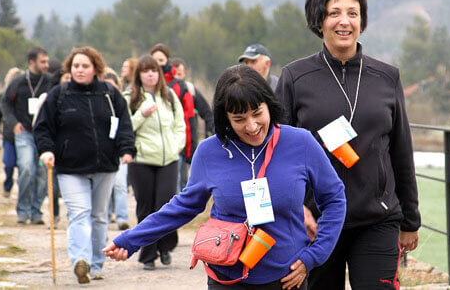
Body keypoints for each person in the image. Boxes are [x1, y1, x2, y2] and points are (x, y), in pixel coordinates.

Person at [104, 65, 347, 290]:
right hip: (226, 278)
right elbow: (182, 207)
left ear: (269, 105)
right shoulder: (210, 152)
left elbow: (335, 198)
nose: (251, 126)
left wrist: (313, 256)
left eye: (257, 113)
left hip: (286, 278)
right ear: (225, 119)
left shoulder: (300, 142)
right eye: (239, 119)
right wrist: (131, 239)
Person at [275, 0, 421, 289]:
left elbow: (402, 152)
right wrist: (297, 208)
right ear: (319, 20)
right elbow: (278, 153)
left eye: (352, 13)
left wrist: (410, 220)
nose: (345, 21)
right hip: (316, 223)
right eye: (334, 13)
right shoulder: (294, 77)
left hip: (376, 220)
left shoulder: (387, 77)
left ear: (362, 20)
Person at [33, 46, 136, 284]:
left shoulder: (110, 95)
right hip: (70, 168)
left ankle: (96, 264)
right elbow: (43, 127)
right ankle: (81, 261)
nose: (79, 70)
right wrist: (46, 150)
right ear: (70, 68)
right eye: (76, 66)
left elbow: (124, 125)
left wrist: (127, 149)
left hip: (105, 166)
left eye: (85, 66)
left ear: (96, 69)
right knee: (79, 213)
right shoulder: (59, 95)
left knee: (99, 216)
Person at [120, 55, 185, 270]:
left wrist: (176, 146)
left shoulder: (169, 97)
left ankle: (165, 246)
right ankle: (147, 255)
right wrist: (141, 114)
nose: (150, 74)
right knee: (145, 207)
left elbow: (179, 125)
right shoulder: (130, 96)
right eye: (146, 71)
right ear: (138, 75)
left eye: (154, 70)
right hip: (142, 160)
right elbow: (125, 128)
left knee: (166, 206)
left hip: (169, 159)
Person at [0, 47, 52, 225]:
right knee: (26, 168)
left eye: (47, 61)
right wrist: (13, 123)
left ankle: (36, 211)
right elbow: (4, 102)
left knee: (42, 173)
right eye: (43, 62)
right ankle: (23, 210)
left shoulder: (50, 82)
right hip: (25, 134)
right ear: (32, 62)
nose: (47, 65)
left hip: (44, 134)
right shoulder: (19, 82)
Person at [171, 57, 214, 193]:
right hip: (170, 143)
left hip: (187, 143)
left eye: (180, 74)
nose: (177, 77)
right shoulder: (164, 91)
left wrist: (213, 134)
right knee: (175, 181)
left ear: (184, 74)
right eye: (174, 74)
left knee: (183, 179)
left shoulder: (190, 90)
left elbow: (207, 113)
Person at [150, 44, 196, 166]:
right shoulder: (141, 87)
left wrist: (189, 149)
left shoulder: (179, 86)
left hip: (173, 149)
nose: (158, 64)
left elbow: (188, 117)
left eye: (161, 60)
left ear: (167, 61)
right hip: (147, 150)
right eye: (155, 60)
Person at [103, 69, 131, 230]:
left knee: (120, 185)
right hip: (102, 152)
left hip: (119, 150)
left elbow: (127, 127)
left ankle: (122, 218)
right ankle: (105, 216)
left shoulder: (121, 104)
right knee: (104, 187)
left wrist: (126, 149)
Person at [0, 67, 24, 198]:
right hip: (8, 136)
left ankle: (23, 189)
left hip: (23, 135)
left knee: (24, 166)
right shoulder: (3, 96)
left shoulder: (24, 95)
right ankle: (8, 185)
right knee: (9, 163)